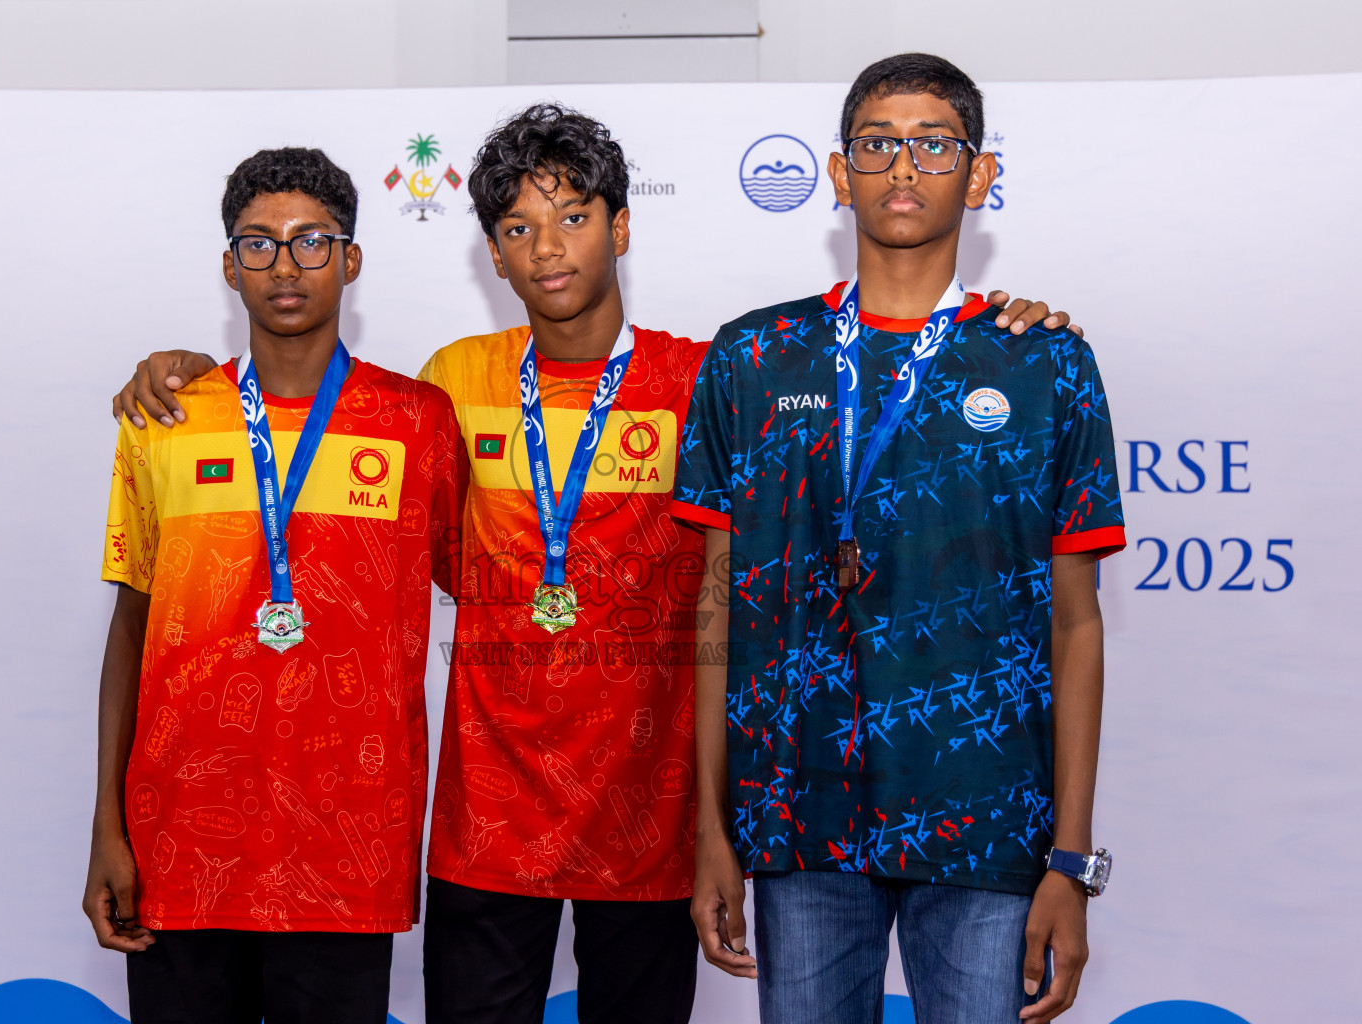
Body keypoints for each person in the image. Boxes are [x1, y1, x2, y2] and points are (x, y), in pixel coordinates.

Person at [108, 108, 1079, 1024]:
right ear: (492, 252)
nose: (550, 245)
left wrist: (997, 335)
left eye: (574, 216)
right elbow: (374, 500)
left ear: (619, 229)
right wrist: (191, 372)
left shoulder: (709, 375)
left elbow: (846, 420)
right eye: (522, 227)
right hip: (485, 832)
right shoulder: (450, 383)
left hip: (652, 829)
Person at [676, 54, 1122, 1024]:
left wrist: (1072, 864)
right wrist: (714, 830)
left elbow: (1078, 625)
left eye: (935, 143)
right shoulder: (752, 357)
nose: (905, 166)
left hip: (986, 825)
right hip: (800, 822)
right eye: (879, 143)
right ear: (839, 173)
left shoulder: (1045, 360)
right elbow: (716, 608)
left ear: (980, 173)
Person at [83, 147, 463, 1024]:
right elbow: (130, 630)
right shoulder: (164, 418)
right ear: (228, 265)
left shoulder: (418, 422)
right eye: (258, 244)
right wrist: (108, 823)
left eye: (311, 242)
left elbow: (481, 581)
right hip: (180, 847)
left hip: (347, 850)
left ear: (351, 260)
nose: (284, 266)